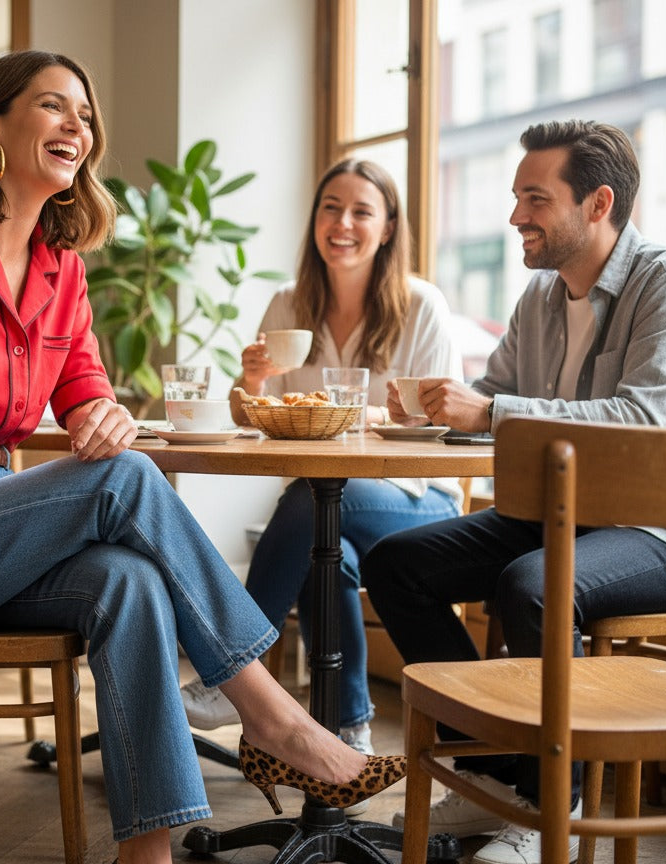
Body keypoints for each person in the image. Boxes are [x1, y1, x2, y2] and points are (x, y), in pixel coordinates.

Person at [0, 51, 406, 864]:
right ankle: (272, 716)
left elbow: (87, 397)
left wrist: (106, 416)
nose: (77, 126)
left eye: (84, 115)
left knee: (130, 578)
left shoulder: (61, 271)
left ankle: (145, 854)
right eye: (53, 108)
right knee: (124, 484)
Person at [361, 120, 666, 864]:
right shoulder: (540, 296)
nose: (515, 216)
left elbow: (647, 418)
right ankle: (497, 775)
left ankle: (551, 809)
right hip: (558, 514)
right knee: (392, 565)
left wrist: (496, 411)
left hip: (662, 532)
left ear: (598, 203)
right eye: (517, 197)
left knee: (532, 587)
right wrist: (433, 405)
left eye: (534, 199)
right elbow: (494, 395)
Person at [179, 159, 463, 762]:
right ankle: (348, 729)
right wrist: (253, 380)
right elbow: (250, 416)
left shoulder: (422, 306)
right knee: (324, 555)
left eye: (363, 211)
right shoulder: (289, 303)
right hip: (327, 501)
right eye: (331, 207)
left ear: (388, 228)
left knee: (311, 502)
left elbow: (443, 422)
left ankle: (236, 673)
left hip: (419, 498)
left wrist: (376, 418)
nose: (343, 223)